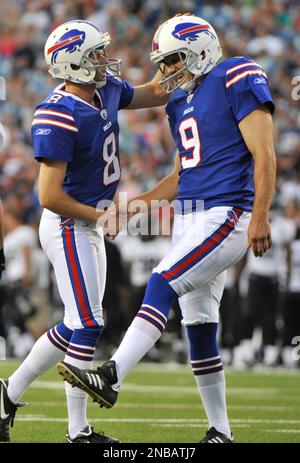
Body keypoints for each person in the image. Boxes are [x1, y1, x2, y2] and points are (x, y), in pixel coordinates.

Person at [57, 15, 277, 443]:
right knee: (199, 325)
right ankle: (221, 432)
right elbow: (181, 175)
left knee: (162, 281)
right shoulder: (179, 101)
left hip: (226, 213)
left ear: (200, 48)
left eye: (173, 61)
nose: (166, 72)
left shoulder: (236, 74)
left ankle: (112, 376)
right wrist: (134, 207)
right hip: (190, 216)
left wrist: (262, 214)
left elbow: (264, 152)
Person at [0, 19, 168, 443]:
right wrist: (102, 217)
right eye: (94, 54)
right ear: (73, 62)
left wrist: (180, 65)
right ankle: (78, 432)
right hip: (68, 222)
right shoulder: (57, 112)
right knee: (90, 322)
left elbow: (154, 92)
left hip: (89, 222)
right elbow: (49, 195)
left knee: (78, 324)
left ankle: (7, 393)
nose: (102, 60)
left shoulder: (106, 88)